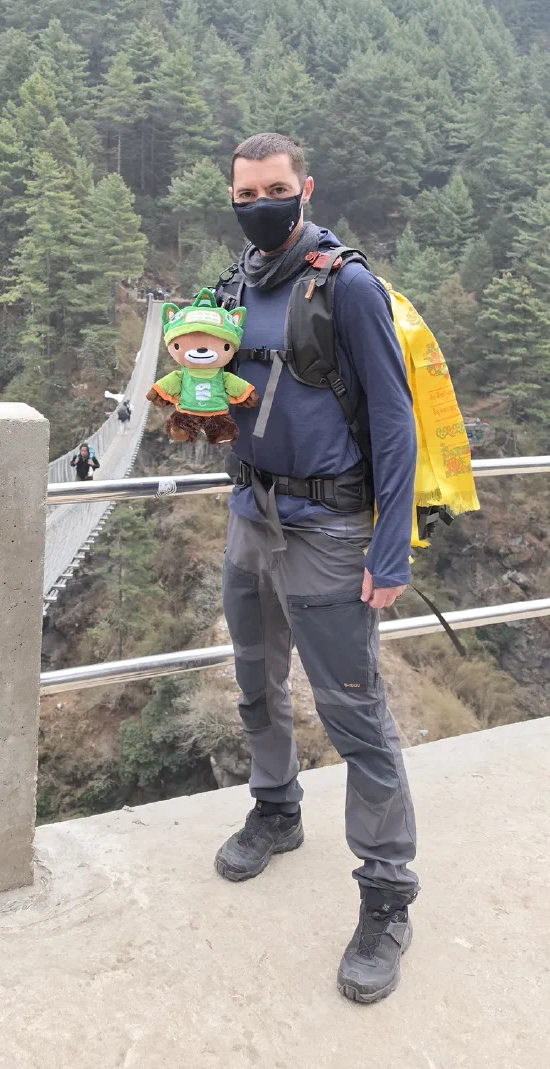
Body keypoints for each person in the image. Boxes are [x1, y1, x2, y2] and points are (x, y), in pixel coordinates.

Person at [212, 131, 418, 1006]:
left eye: (274, 187)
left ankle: (386, 894)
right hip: (248, 516)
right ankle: (277, 808)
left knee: (355, 713)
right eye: (245, 191)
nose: (260, 202)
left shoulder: (349, 285)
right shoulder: (233, 287)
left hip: (330, 530)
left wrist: (391, 545)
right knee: (256, 682)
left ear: (305, 188)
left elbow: (394, 419)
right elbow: (229, 396)